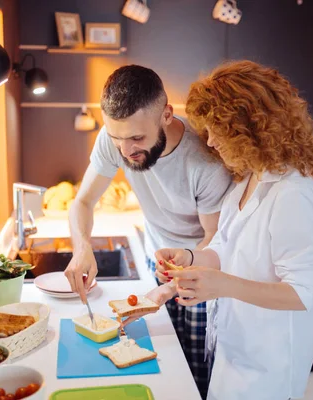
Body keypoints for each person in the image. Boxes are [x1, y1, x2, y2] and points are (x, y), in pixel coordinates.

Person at [129, 60, 313, 400]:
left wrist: (222, 285)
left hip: (270, 365)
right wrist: (191, 257)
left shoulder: (294, 194)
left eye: (216, 130)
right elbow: (226, 248)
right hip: (235, 350)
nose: (209, 141)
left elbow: (302, 293)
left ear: (250, 127)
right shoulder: (247, 180)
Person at [64, 64, 233, 398]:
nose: (126, 151)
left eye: (137, 138)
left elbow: (214, 238)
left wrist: (175, 282)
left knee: (194, 376)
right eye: (117, 139)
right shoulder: (113, 141)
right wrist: (82, 247)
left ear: (166, 115)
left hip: (198, 270)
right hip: (154, 262)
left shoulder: (204, 162)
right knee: (158, 366)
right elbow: (81, 203)